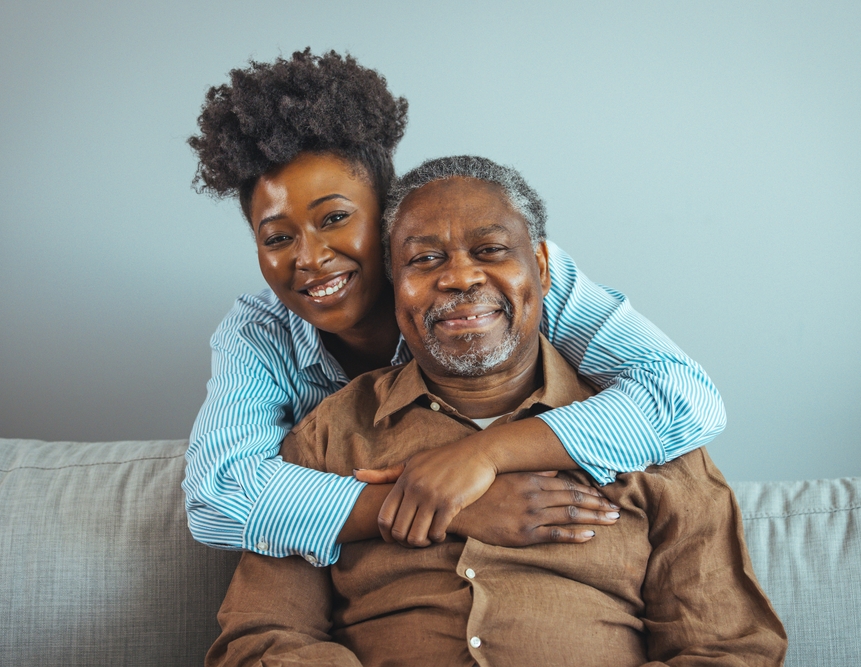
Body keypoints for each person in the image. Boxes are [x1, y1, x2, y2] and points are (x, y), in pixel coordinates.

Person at [205, 156, 787, 666]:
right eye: (425, 258)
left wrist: (484, 456)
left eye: (490, 251)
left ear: (542, 266)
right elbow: (263, 633)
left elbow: (728, 650)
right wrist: (432, 506)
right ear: (395, 276)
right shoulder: (326, 438)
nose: (459, 276)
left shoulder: (653, 435)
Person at [184, 50, 726, 565]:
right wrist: (450, 503)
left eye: (334, 219)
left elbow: (683, 396)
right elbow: (216, 498)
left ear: (392, 217)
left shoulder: (511, 278)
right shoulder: (259, 332)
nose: (310, 258)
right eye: (277, 238)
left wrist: (485, 456)